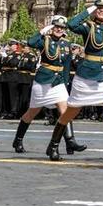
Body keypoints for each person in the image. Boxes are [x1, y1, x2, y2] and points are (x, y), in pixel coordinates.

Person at [53, 0, 103, 162]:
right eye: (99, 8)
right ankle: (53, 146)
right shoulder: (88, 27)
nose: (102, 11)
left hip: (102, 77)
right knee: (69, 113)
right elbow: (72, 24)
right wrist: (89, 10)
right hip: (86, 77)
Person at [11, 15, 84, 159]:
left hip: (58, 81)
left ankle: (70, 141)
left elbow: (67, 64)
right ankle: (17, 140)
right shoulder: (44, 40)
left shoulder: (66, 44)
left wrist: (66, 81)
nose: (58, 29)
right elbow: (31, 42)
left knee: (65, 111)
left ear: (64, 31)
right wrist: (43, 31)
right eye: (56, 26)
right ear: (52, 27)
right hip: (43, 80)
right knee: (31, 113)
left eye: (61, 27)